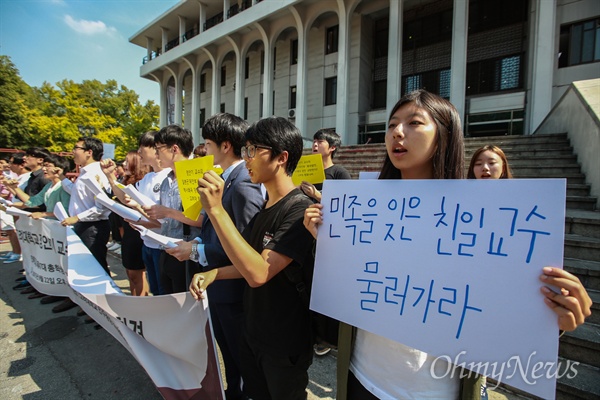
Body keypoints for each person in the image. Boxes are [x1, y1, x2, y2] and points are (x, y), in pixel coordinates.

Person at [303, 90, 593, 400]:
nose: (397, 133)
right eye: (392, 124)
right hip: (361, 377)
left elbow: (503, 298)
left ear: (444, 136)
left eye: (414, 122)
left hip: (435, 390)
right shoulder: (366, 211)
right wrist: (328, 242)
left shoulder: (480, 218)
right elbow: (354, 282)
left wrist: (551, 319)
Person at [190, 116, 316, 400]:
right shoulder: (266, 208)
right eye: (244, 150)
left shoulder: (299, 211)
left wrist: (215, 209)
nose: (246, 159)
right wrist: (215, 273)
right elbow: (249, 262)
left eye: (252, 150)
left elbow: (260, 273)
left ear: (281, 157)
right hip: (254, 332)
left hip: (284, 342)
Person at [167, 113, 264, 400]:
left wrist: (195, 250)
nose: (204, 150)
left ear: (225, 145)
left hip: (233, 291)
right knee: (229, 355)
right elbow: (215, 229)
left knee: (241, 358)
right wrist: (195, 241)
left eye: (208, 144)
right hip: (219, 287)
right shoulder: (225, 178)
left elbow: (243, 246)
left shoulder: (243, 183)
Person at [141, 125, 203, 294]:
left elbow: (203, 220)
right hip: (165, 251)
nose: (156, 153)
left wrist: (167, 212)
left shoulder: (197, 177)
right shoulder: (166, 181)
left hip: (188, 253)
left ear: (174, 149)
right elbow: (164, 221)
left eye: (159, 148)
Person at [55, 137, 112, 314]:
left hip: (93, 226)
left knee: (95, 267)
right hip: (82, 225)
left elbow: (101, 206)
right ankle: (85, 302)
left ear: (89, 152)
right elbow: (80, 196)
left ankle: (103, 307)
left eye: (76, 148)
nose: (73, 151)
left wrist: (77, 217)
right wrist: (63, 179)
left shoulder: (97, 173)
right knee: (82, 267)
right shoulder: (85, 172)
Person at [101, 151, 150, 296]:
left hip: (138, 233)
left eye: (127, 161)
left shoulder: (141, 184)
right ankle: (133, 301)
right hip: (127, 232)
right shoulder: (123, 182)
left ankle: (141, 305)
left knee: (137, 274)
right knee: (130, 273)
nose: (123, 164)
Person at [300, 128, 351, 203]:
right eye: (314, 142)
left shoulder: (339, 173)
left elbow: (346, 202)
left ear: (332, 147)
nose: (315, 145)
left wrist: (316, 195)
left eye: (320, 142)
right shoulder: (305, 170)